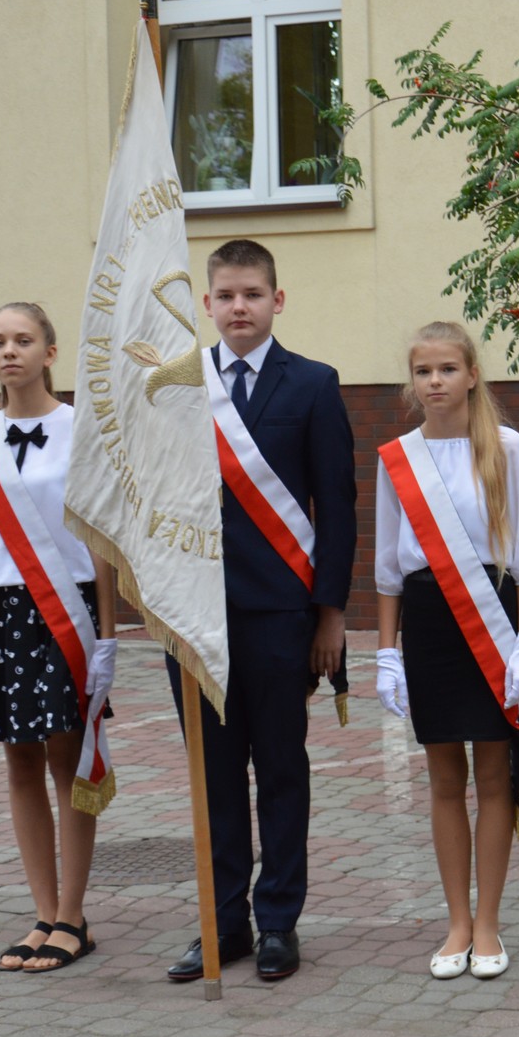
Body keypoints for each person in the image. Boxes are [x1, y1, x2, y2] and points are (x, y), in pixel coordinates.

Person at [164, 239, 356, 983]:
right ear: (206, 304)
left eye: (251, 294)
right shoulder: (176, 387)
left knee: (279, 769)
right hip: (195, 616)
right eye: (225, 295)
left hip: (281, 615)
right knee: (213, 778)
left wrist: (330, 614)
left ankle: (278, 921)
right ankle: (223, 925)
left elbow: (336, 507)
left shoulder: (313, 384)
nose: (238, 307)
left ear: (277, 300)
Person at [372, 321, 519, 980]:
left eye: (447, 368)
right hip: (429, 623)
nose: (435, 381)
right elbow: (388, 568)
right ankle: (457, 924)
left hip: (491, 618)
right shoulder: (397, 457)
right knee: (445, 780)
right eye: (423, 371)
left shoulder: (506, 447)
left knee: (495, 777)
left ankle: (490, 923)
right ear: (411, 382)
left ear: (472, 375)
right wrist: (387, 653)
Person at [0, 302, 119, 973]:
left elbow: (101, 540)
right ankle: (44, 912)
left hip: (63, 608)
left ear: (50, 353)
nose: (9, 351)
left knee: (66, 760)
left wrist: (108, 634)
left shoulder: (83, 430)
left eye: (23, 340)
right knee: (18, 763)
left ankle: (74, 917)